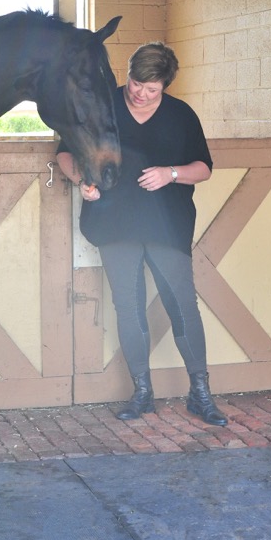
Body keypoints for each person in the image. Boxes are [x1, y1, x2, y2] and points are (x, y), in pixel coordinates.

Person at [56, 41, 227, 426]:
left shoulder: (181, 115)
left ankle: (200, 393)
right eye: (136, 83)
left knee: (182, 304)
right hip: (115, 222)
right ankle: (142, 393)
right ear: (128, 72)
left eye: (152, 90)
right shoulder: (101, 105)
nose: (141, 93)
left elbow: (204, 167)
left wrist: (172, 173)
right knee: (129, 306)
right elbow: (65, 152)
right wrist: (81, 178)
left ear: (165, 86)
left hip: (167, 222)